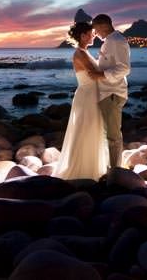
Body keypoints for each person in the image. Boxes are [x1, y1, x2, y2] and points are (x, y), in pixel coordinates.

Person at [53, 21, 109, 180]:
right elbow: (94, 74)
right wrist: (116, 71)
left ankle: (93, 167)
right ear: (83, 35)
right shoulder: (80, 54)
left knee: (93, 130)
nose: (94, 35)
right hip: (87, 96)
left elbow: (96, 74)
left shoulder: (85, 52)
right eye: (91, 32)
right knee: (86, 130)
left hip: (91, 95)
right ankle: (83, 170)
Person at [88, 14, 131, 169]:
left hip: (112, 93)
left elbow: (124, 68)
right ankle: (112, 167)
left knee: (113, 135)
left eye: (96, 29)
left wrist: (100, 75)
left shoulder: (116, 41)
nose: (95, 33)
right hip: (108, 92)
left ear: (104, 25)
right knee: (110, 133)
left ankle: (115, 170)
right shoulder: (110, 41)